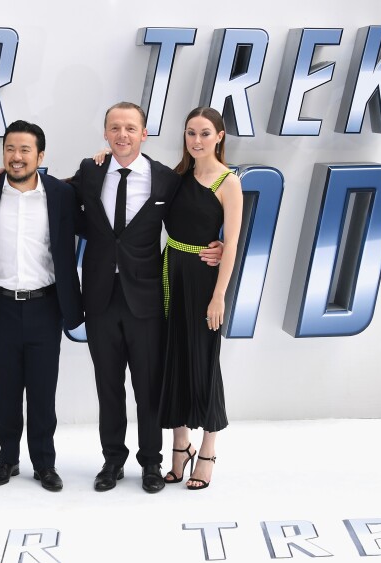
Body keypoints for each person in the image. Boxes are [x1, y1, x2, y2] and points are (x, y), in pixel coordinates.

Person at [69, 102, 222, 494]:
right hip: (100, 298)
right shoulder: (90, 171)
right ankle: (112, 461)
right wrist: (2, 171)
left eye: (130, 128)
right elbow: (50, 193)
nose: (122, 135)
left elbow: (197, 212)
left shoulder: (166, 180)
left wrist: (217, 245)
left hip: (148, 300)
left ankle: (151, 463)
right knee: (108, 386)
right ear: (105, 133)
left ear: (144, 134)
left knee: (148, 388)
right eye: (115, 128)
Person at [0, 120, 83, 492]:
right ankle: (7, 460)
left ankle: (44, 464)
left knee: (42, 391)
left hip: (45, 305)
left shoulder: (61, 195)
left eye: (24, 150)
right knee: (6, 389)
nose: (16, 157)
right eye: (10, 149)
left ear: (40, 155)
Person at [158, 106, 243, 490]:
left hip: (204, 279)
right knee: (171, 359)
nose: (196, 140)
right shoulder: (176, 176)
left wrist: (219, 296)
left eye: (205, 133)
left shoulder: (228, 182)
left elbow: (233, 245)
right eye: (191, 132)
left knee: (205, 361)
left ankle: (207, 449)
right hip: (170, 272)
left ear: (220, 136)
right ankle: (180, 445)